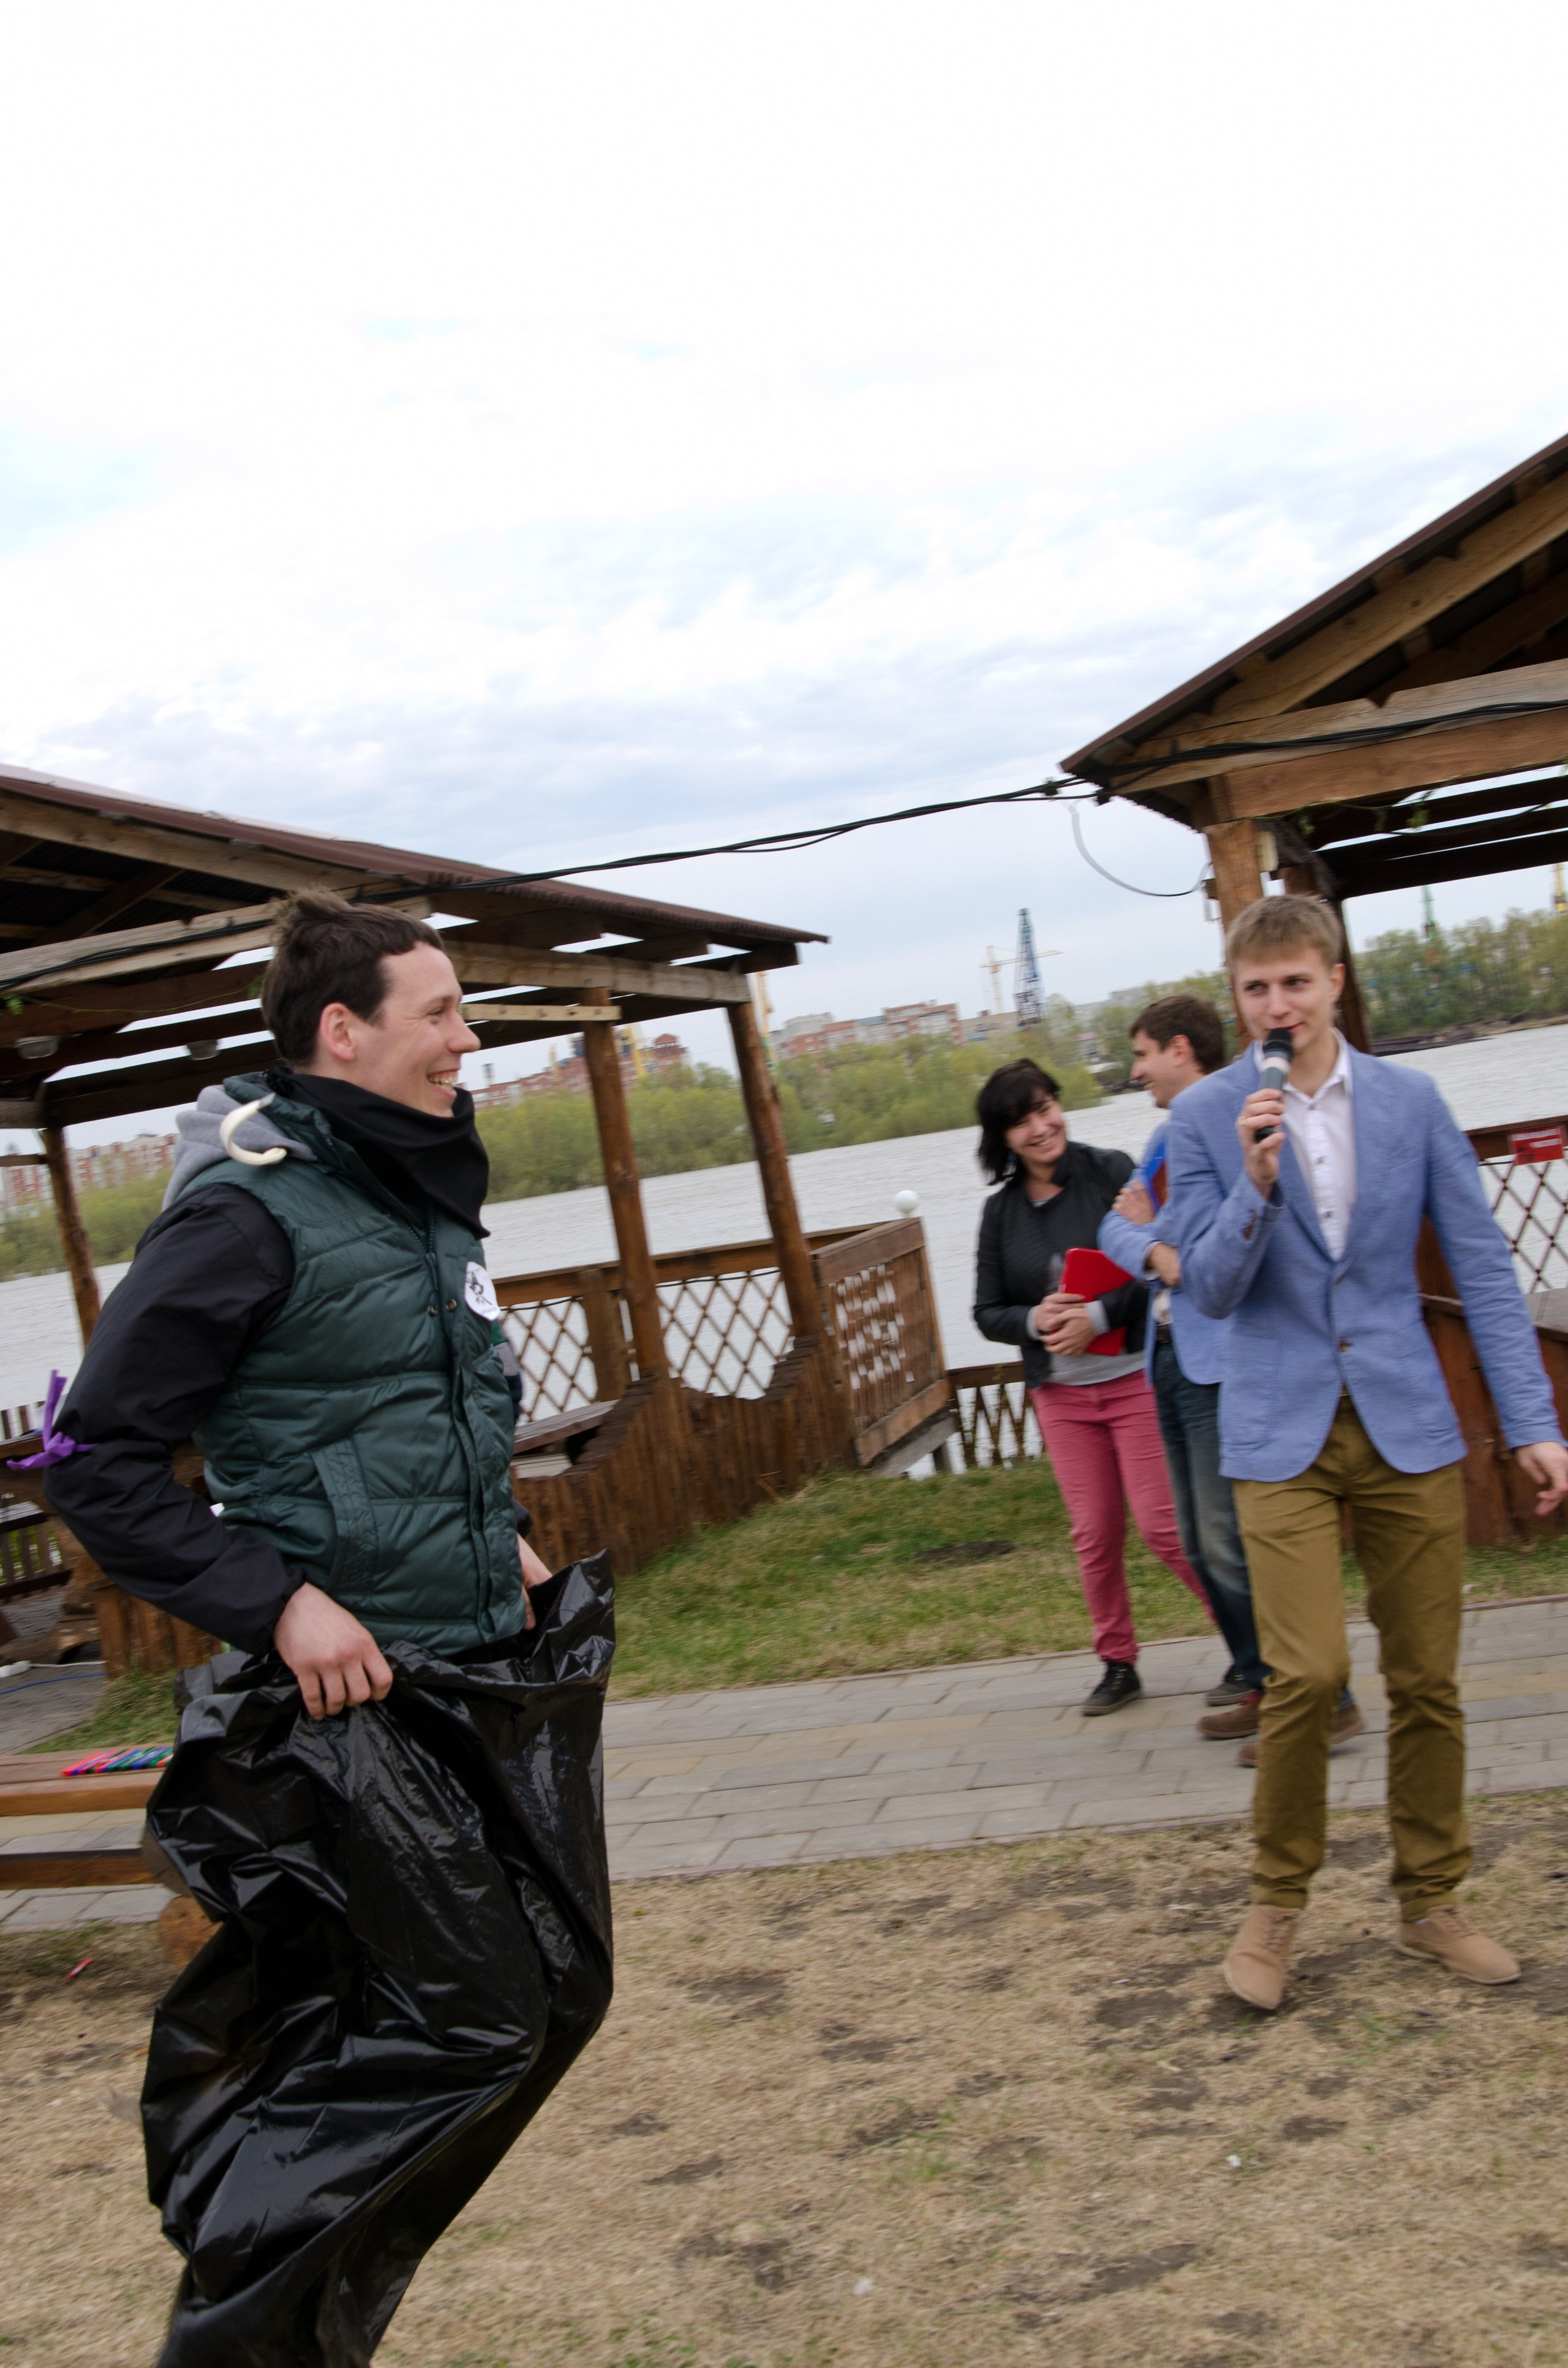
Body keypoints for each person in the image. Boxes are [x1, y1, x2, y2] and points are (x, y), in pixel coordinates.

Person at [37, 891, 615, 2364]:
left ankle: (285, 2301)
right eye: (440, 1013)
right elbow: (96, 1465)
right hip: (345, 1707)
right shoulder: (243, 1210)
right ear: (341, 1030)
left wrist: (503, 1533)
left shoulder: (403, 1190)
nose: (465, 1040)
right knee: (481, 2017)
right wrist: (278, 1602)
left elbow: (407, 1407)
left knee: (552, 1990)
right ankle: (238, 2329)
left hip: (469, 1666)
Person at [1167, 893, 1568, 2011]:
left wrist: (1534, 1423)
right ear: (1238, 1001)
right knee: (1307, 1673)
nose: (1278, 1005)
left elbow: (1485, 1271)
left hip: (1406, 1422)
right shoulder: (1206, 1116)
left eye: (1296, 982)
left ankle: (1431, 1902)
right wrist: (1251, 1188)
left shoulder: (1413, 1102)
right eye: (1256, 989)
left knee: (1427, 1676)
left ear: (1335, 981)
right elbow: (1202, 1286)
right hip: (1276, 1427)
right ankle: (1273, 1910)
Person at [1098, 994, 1363, 1753]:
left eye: (1143, 1053)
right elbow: (1115, 1225)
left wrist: (1165, 1231)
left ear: (1180, 1050)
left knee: (1229, 1537)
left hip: (1226, 1357)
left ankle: (1325, 1696)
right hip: (1171, 1356)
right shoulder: (1161, 1135)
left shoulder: (1244, 1118)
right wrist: (1157, 1251)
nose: (1135, 1069)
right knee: (1193, 1535)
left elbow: (1222, 1233)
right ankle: (1260, 1679)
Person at [972, 1056, 1214, 1714]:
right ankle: (1117, 1663)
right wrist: (1032, 1319)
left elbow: (1157, 1263)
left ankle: (1249, 1643)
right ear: (1003, 1138)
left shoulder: (1110, 1169)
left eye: (1045, 1107)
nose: (1040, 1126)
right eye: (1021, 1121)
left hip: (1135, 1376)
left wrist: (1098, 1318)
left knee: (1166, 1528)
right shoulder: (1000, 1215)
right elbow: (985, 1311)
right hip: (1061, 1396)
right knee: (1095, 1534)